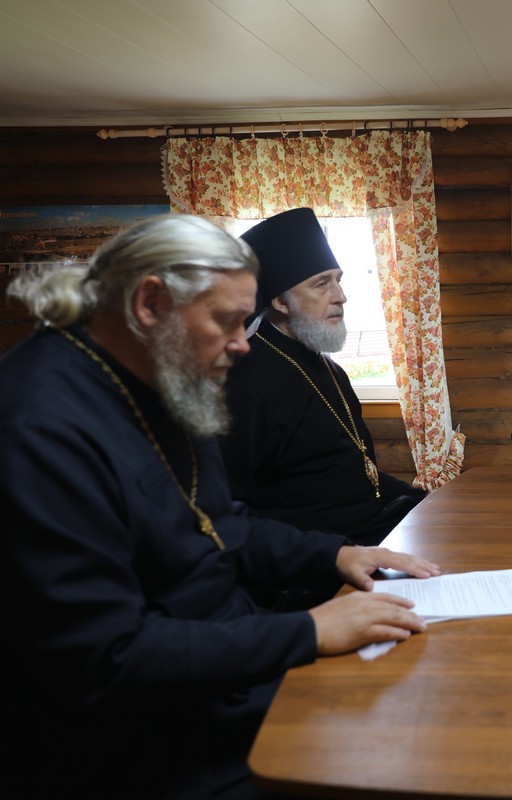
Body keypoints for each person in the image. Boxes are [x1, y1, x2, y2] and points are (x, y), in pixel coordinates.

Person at [0, 214, 441, 798]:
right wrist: (307, 631)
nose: (242, 343)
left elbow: (223, 524)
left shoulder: (166, 374)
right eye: (228, 321)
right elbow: (104, 658)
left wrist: (334, 555)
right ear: (150, 303)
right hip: (148, 738)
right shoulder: (37, 423)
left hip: (230, 662)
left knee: (422, 700)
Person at [222, 208, 426, 549]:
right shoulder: (244, 384)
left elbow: (354, 472)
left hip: (372, 535)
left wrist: (429, 501)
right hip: (316, 559)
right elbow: (231, 512)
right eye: (322, 284)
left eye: (338, 280)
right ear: (280, 301)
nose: (341, 296)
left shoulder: (329, 369)